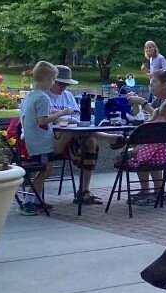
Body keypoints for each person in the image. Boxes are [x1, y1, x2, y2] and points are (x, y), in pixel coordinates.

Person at [48, 64, 118, 205]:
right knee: (78, 133)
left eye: (66, 84)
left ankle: (84, 191)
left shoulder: (67, 96)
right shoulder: (42, 96)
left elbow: (78, 118)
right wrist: (64, 117)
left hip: (71, 139)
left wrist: (67, 118)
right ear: (51, 80)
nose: (63, 87)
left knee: (90, 141)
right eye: (60, 83)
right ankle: (111, 138)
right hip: (50, 140)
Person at [19, 61, 75, 214]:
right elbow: (42, 120)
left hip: (31, 139)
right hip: (41, 141)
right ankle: (28, 201)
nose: (53, 83)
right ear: (46, 79)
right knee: (45, 170)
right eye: (53, 79)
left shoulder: (30, 95)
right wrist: (62, 113)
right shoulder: (43, 98)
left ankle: (35, 200)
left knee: (45, 169)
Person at [129, 96, 166, 204]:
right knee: (152, 159)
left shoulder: (153, 122)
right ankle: (158, 190)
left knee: (142, 159)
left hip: (148, 156)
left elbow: (142, 138)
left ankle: (146, 189)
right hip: (161, 157)